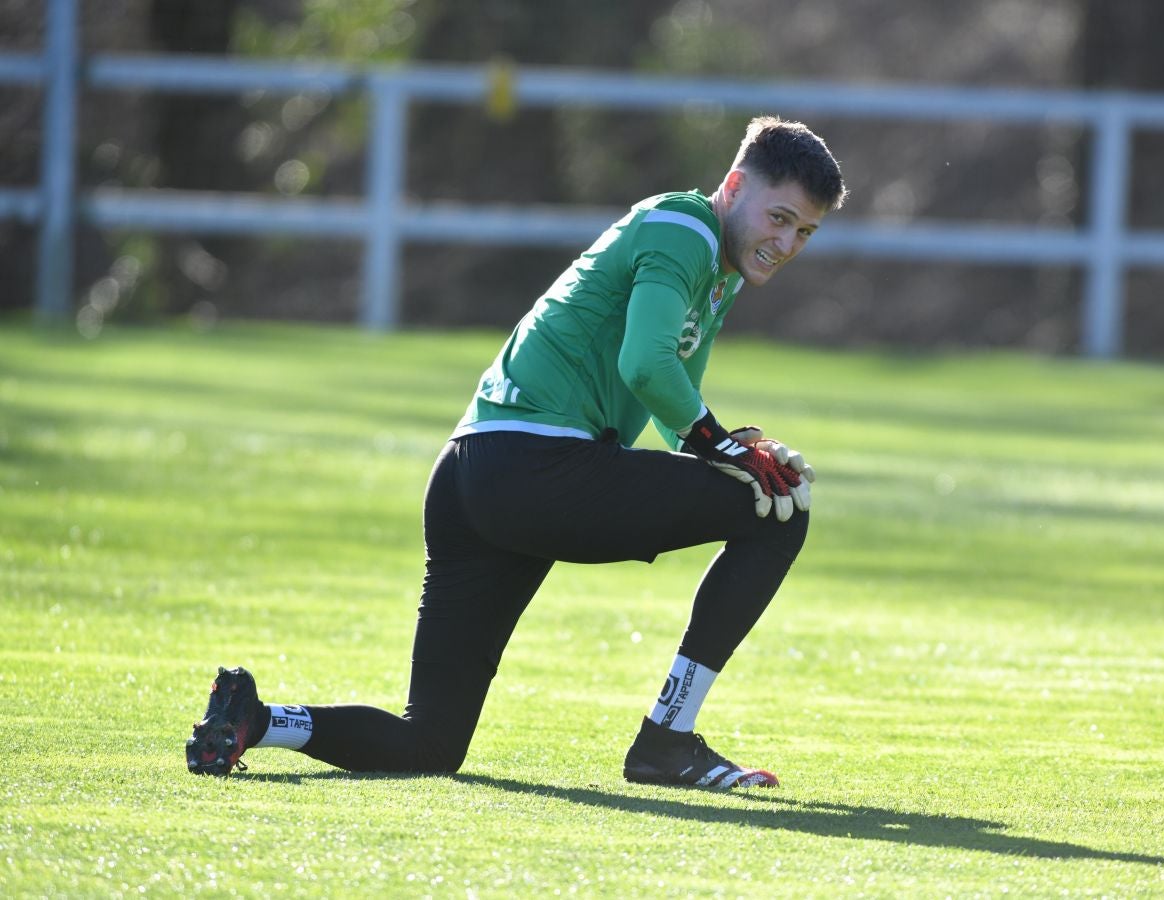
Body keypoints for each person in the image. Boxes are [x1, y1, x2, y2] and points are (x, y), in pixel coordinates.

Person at [185, 116, 847, 788]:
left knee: (429, 744)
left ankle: (256, 720)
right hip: (538, 469)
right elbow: (646, 367)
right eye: (781, 218)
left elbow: (674, 404)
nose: (787, 242)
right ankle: (667, 741)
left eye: (805, 232)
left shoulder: (716, 270)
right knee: (780, 513)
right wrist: (728, 448)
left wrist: (733, 450)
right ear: (734, 186)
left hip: (470, 475)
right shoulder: (687, 229)